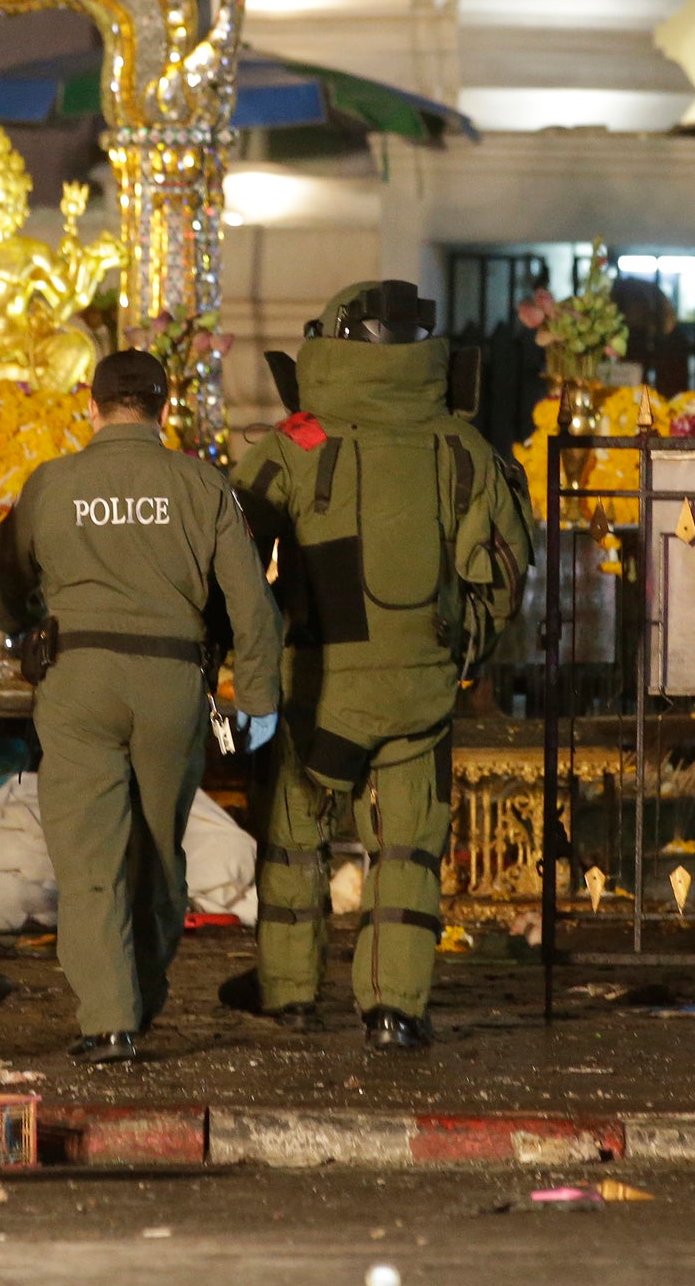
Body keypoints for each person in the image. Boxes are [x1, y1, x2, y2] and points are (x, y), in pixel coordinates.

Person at [228, 281, 534, 1050]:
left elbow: (226, 553)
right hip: (422, 692)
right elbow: (505, 570)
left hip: (317, 690)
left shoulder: (296, 443)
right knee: (408, 848)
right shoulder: (463, 447)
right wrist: (464, 653)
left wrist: (240, 650)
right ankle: (394, 1010)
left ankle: (291, 994)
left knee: (295, 842)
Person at [0, 349, 284, 1063]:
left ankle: (110, 1019)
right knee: (157, 852)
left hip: (79, 680)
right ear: (164, 409)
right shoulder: (200, 483)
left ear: (91, 408)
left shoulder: (54, 483)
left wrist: (22, 628)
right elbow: (252, 603)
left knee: (91, 858)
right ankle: (141, 994)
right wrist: (261, 698)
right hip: (172, 684)